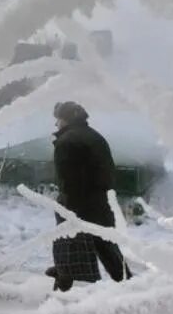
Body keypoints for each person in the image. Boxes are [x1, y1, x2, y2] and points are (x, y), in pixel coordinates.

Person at [45, 101, 132, 291]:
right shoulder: (95, 136)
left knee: (69, 246)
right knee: (107, 247)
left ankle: (68, 283)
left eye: (58, 120)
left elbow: (68, 182)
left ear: (66, 119)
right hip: (101, 202)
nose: (56, 124)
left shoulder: (66, 142)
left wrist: (67, 210)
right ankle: (129, 284)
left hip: (79, 206)